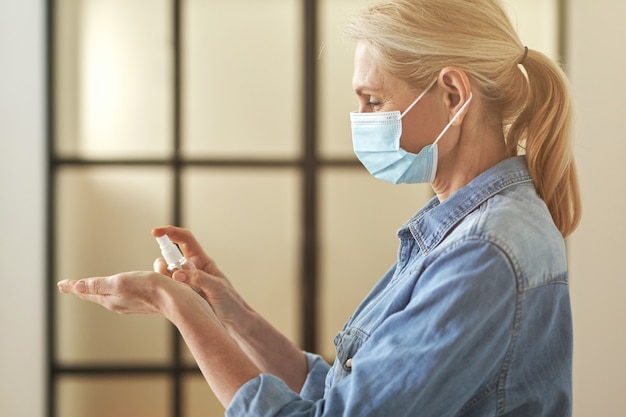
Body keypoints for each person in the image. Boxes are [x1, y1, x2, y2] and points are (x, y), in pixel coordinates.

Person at [58, 0, 582, 415]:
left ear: (451, 93)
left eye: (373, 101)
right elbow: (339, 394)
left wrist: (181, 311)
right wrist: (229, 314)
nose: (359, 118)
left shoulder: (484, 250)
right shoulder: (466, 229)